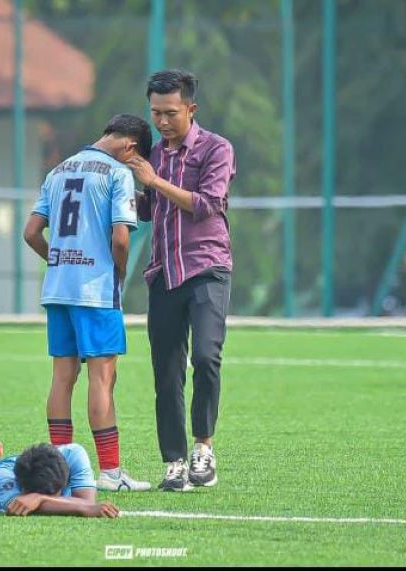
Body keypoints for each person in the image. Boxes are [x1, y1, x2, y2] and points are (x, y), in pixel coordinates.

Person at [23, 114, 153, 492]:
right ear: (131, 148)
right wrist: (119, 272)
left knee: (62, 378)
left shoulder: (58, 171)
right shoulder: (117, 174)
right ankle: (110, 473)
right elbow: (120, 240)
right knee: (103, 377)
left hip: (58, 288)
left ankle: (58, 473)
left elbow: (31, 232)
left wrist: (58, 260)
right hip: (95, 291)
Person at [126, 69, 236, 492]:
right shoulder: (152, 153)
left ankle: (203, 448)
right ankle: (173, 461)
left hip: (207, 268)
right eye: (155, 113)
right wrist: (123, 196)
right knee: (166, 373)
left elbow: (207, 205)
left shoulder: (216, 149)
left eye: (171, 113)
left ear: (191, 109)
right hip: (163, 273)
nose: (162, 122)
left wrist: (155, 182)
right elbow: (150, 208)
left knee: (207, 357)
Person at [0, 439, 119, 517]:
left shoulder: (74, 454)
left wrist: (39, 498)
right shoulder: (1, 477)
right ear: (24, 490)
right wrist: (41, 499)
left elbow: (88, 501)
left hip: (33, 463)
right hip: (1, 469)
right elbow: (18, 506)